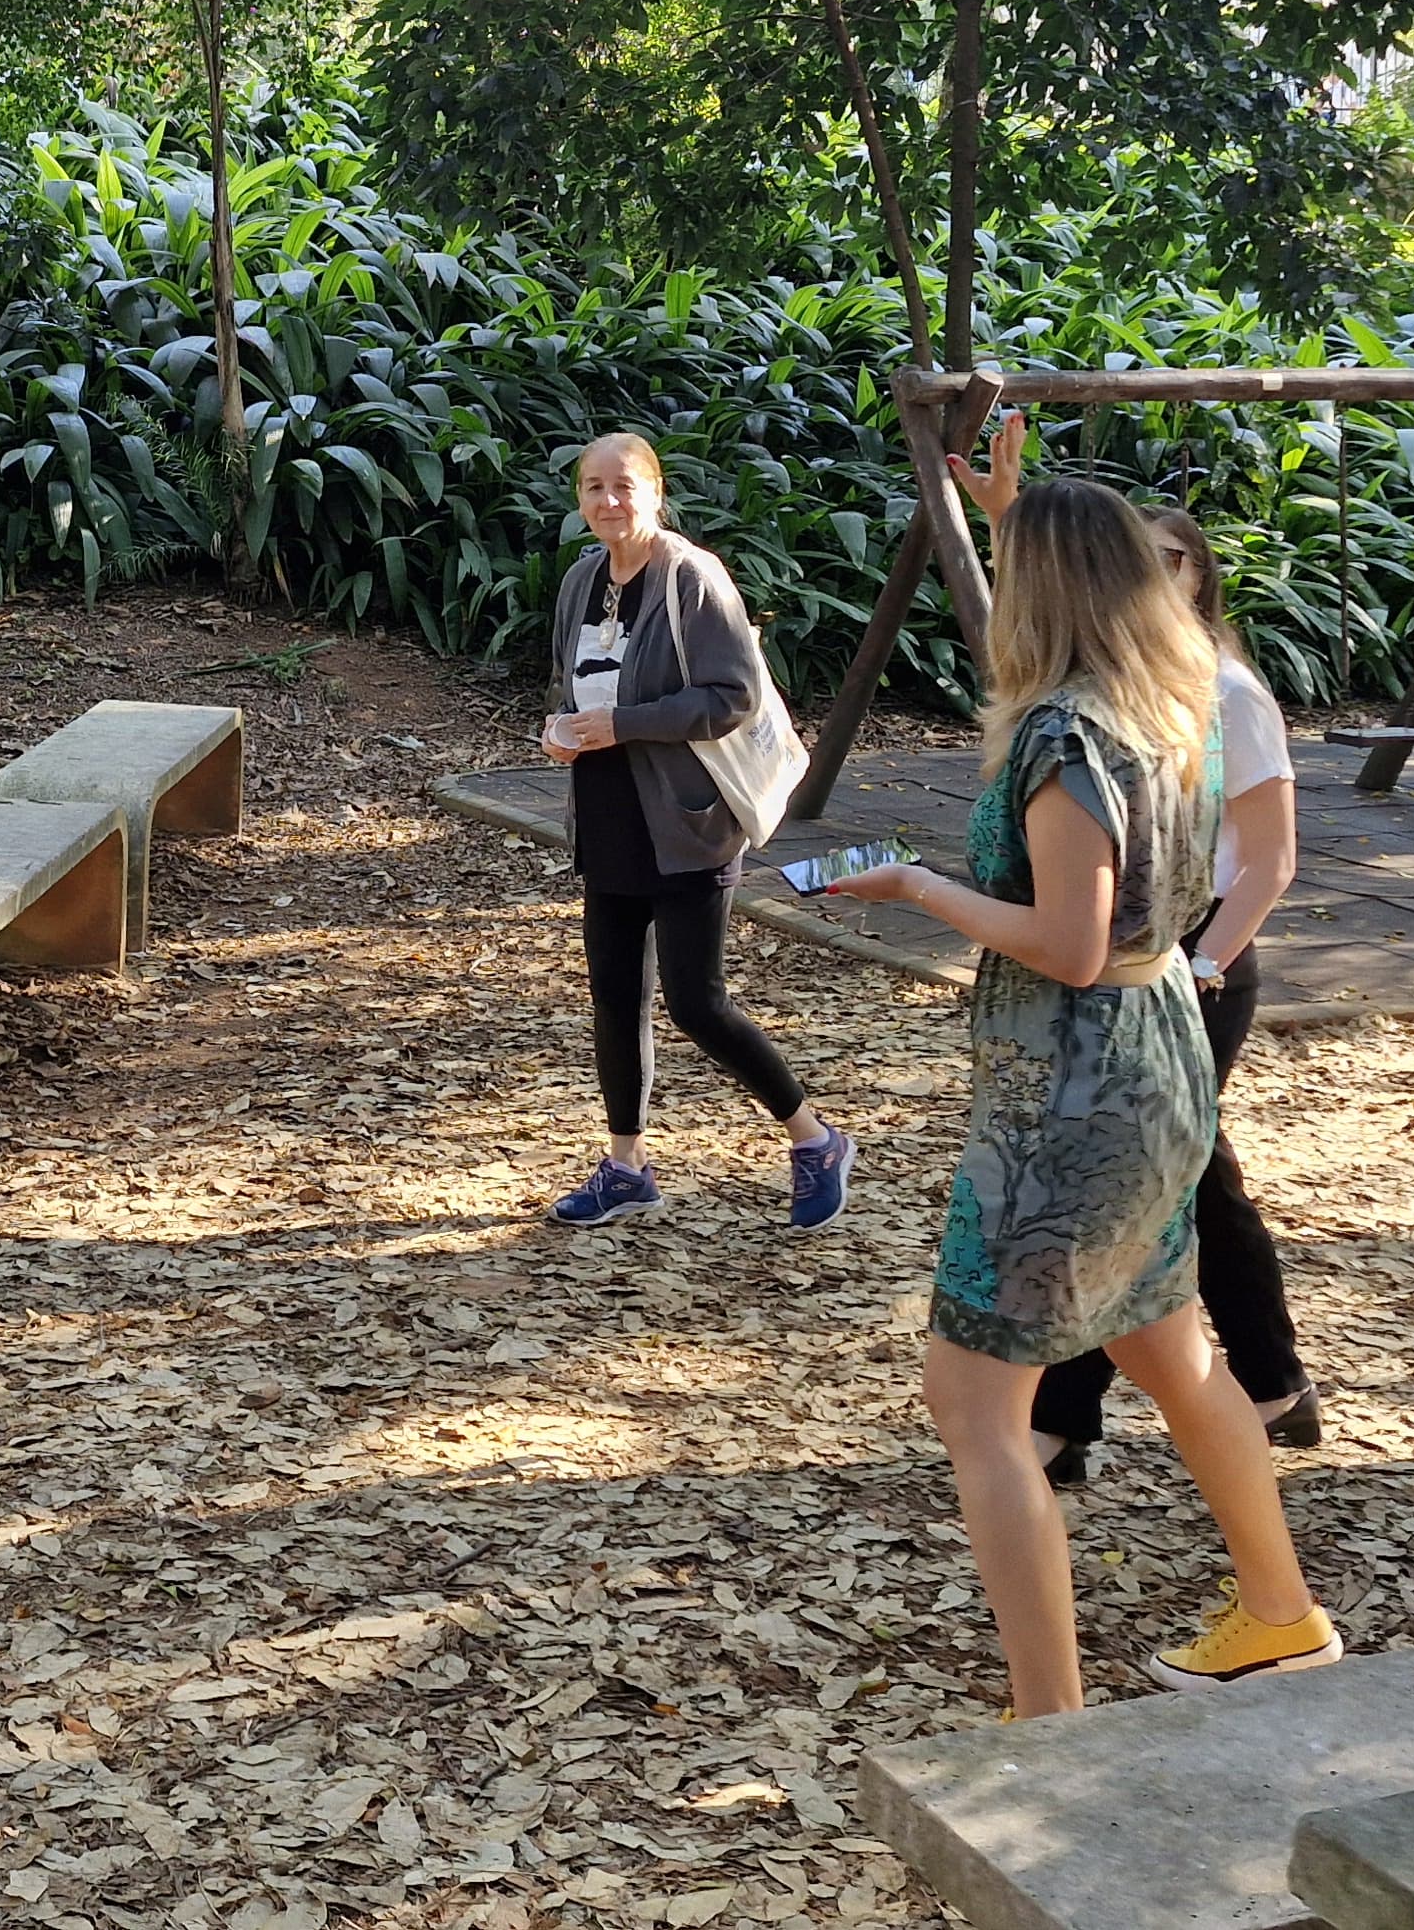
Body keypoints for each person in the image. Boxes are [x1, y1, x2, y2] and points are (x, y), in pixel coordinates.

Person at [818, 477, 1341, 1709]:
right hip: (1155, 1057)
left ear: (1042, 590)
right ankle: (1281, 1612)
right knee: (1168, 1345)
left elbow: (1067, 942)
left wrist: (917, 888)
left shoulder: (1068, 732)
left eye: (1010, 570)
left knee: (973, 1404)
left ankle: (1045, 1722)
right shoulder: (1173, 702)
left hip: (1071, 1089)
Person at [951, 425, 1318, 1482]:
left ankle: (1069, 1421)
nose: (1152, 576)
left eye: (1173, 559)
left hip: (1180, 971)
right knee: (1177, 1200)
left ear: (1198, 577)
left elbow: (1269, 858)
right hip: (1145, 974)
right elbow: (1056, 608)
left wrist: (1199, 964)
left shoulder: (1214, 694)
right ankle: (1262, 1385)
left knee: (1139, 1205)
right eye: (1135, 557)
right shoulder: (1120, 692)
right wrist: (1008, 518)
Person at [535, 431, 854, 1230]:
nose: (608, 502)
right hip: (607, 817)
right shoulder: (581, 581)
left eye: (624, 486)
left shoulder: (692, 578)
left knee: (697, 1002)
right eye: (592, 488)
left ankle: (814, 1138)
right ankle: (625, 1165)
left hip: (689, 821)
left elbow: (732, 696)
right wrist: (562, 728)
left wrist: (624, 724)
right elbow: (568, 684)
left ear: (655, 491)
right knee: (615, 995)